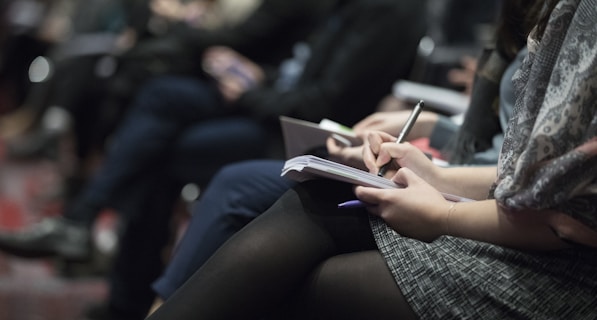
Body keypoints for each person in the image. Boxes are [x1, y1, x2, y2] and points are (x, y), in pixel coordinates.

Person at [146, 0, 597, 318]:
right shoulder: (552, 14)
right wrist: (435, 171)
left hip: (560, 274)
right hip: (506, 211)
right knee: (304, 194)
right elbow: (524, 177)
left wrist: (441, 212)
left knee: (297, 270)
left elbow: (561, 215)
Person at [0, 0, 428, 319]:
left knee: (164, 149)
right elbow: (298, 68)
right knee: (159, 96)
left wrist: (251, 91)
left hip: (307, 136)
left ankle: (126, 288)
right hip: (274, 105)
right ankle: (107, 260)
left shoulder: (389, 11)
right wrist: (258, 77)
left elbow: (323, 101)